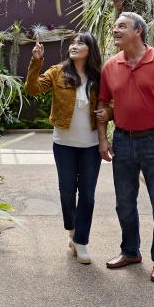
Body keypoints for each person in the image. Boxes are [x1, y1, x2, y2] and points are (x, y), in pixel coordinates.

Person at [94, 12, 154, 282]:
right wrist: (103, 138)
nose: (115, 30)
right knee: (124, 202)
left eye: (121, 26)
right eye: (114, 27)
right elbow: (102, 105)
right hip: (123, 140)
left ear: (138, 31)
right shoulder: (111, 66)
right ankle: (130, 251)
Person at [24, 33, 104, 264]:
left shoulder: (99, 75)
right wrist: (36, 61)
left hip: (90, 145)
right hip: (64, 144)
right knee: (67, 192)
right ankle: (72, 230)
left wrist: (108, 113)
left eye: (81, 43)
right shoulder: (57, 71)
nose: (75, 46)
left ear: (90, 49)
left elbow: (110, 103)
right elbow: (32, 89)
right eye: (73, 42)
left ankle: (81, 241)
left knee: (87, 196)